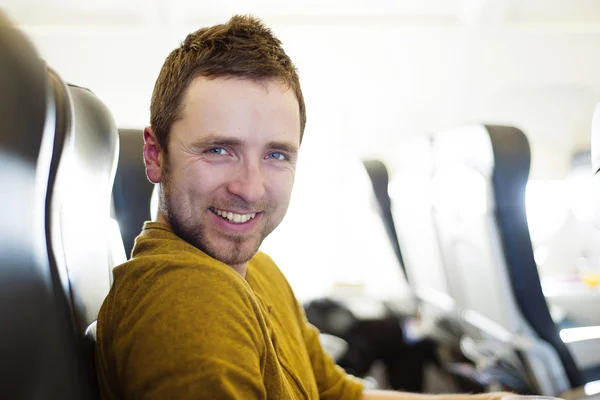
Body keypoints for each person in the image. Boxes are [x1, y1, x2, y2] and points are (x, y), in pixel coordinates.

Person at [95, 14, 512, 400]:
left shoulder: (257, 268)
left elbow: (337, 393)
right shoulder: (186, 298)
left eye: (276, 155)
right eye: (219, 149)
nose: (250, 188)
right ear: (155, 155)